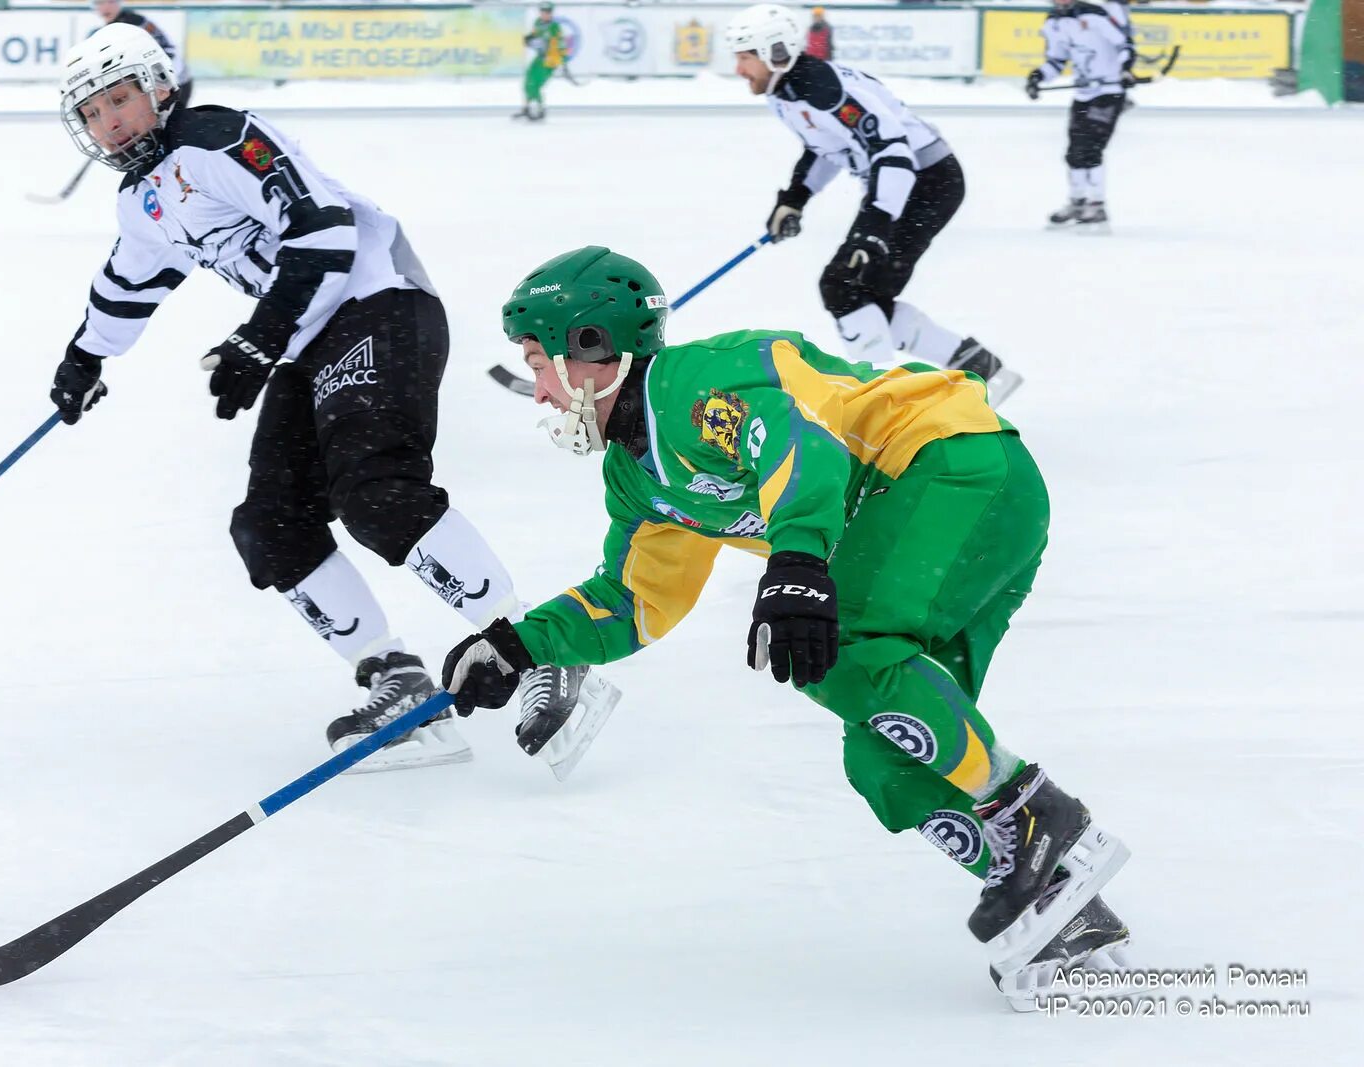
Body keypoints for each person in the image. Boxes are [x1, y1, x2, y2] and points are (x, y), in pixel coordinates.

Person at [440, 246, 1132, 1004]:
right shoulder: (635, 474)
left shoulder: (696, 385)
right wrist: (515, 645)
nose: (537, 391)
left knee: (844, 654)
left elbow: (800, 444)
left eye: (540, 362)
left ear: (595, 350)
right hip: (953, 518)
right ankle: (1063, 908)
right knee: (886, 761)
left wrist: (798, 561)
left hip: (950, 464)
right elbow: (637, 599)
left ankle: (1034, 813)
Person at [49, 23, 614, 772]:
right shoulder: (141, 202)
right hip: (305, 340)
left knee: (378, 492)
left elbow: (323, 229)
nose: (109, 121)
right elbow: (128, 284)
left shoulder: (218, 139)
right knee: (270, 524)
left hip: (380, 303)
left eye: (119, 99)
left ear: (156, 87)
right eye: (92, 112)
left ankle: (546, 652)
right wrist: (84, 356)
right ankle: (400, 685)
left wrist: (258, 337)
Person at [724, 4, 1021, 405]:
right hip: (903, 184)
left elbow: (894, 151)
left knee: (844, 286)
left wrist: (874, 227)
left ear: (776, 52)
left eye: (746, 58)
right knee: (859, 295)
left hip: (927, 182)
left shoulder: (820, 87)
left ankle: (881, 404)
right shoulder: (785, 91)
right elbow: (826, 148)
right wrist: (795, 199)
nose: (740, 69)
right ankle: (979, 369)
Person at [1025, 0, 1135, 232]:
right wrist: (1037, 77)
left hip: (1109, 92)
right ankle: (1077, 202)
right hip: (1083, 94)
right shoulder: (1053, 23)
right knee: (1074, 153)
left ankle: (1097, 205)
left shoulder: (1094, 15)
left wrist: (1125, 69)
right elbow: (1056, 61)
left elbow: (1124, 45)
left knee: (1091, 148)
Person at [93, 0, 194, 108]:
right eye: (99, 3)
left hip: (175, 83)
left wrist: (164, 82)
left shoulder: (136, 22)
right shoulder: (107, 30)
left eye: (111, 2)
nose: (105, 7)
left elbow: (169, 50)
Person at [516, 3, 567, 122]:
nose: (545, 14)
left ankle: (539, 109)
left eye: (548, 12)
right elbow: (535, 34)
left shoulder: (555, 27)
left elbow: (561, 45)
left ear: (551, 13)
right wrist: (529, 38)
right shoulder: (538, 22)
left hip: (550, 61)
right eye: (543, 12)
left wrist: (561, 61)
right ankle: (528, 107)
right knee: (527, 80)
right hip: (540, 58)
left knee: (535, 85)